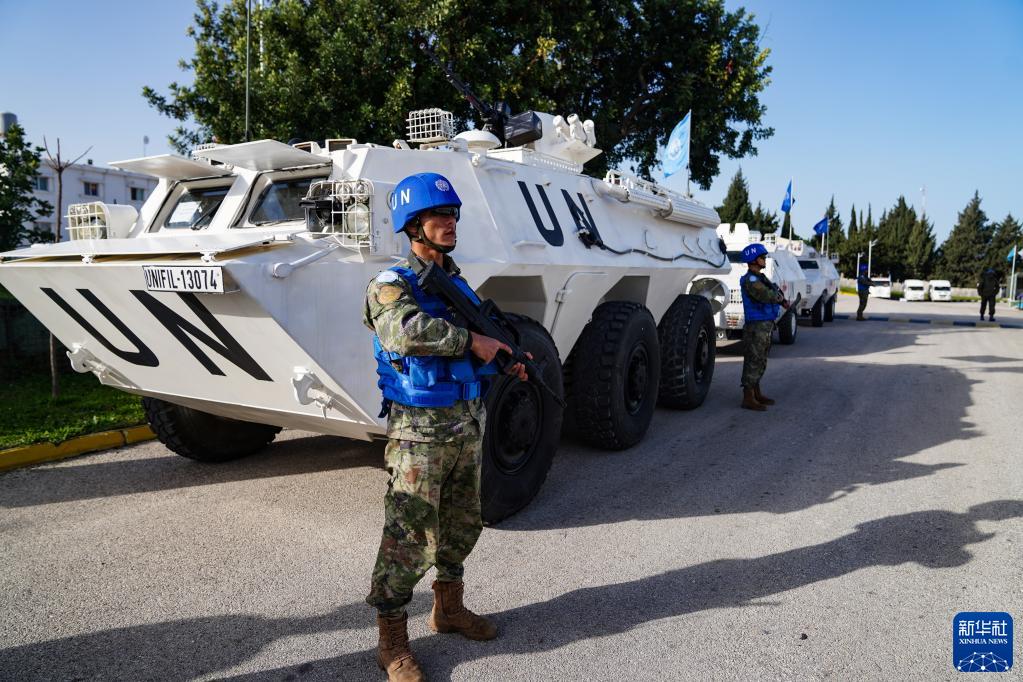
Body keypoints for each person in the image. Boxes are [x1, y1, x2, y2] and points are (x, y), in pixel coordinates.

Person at [363, 172, 527, 682]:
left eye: (454, 214)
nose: (451, 222)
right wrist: (472, 342)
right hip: (419, 432)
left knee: (462, 523)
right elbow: (402, 332)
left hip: (465, 422)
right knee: (408, 534)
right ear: (413, 224)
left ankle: (448, 609)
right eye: (439, 215)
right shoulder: (390, 284)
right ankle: (392, 641)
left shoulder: (457, 285)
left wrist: (504, 359)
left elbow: (478, 342)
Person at [738, 243, 789, 411]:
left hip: (764, 325)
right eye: (762, 257)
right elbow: (766, 295)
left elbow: (774, 292)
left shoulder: (760, 277)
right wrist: (779, 299)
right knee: (753, 360)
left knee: (760, 360)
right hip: (756, 326)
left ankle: (756, 393)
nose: (764, 260)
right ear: (754, 260)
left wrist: (782, 300)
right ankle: (748, 397)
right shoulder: (751, 280)